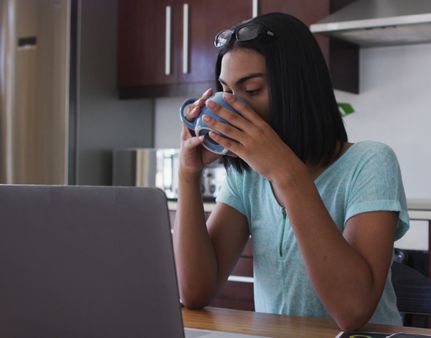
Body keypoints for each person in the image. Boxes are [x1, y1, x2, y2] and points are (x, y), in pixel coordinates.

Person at [173, 12, 409, 331]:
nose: (232, 107)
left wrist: (286, 173)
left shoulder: (371, 162)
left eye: (252, 90)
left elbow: (352, 312)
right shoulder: (247, 176)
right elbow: (194, 291)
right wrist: (188, 175)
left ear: (297, 89)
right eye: (226, 91)